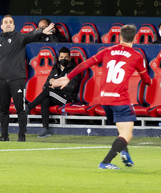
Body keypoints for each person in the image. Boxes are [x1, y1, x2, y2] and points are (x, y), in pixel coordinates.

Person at [52, 24, 152, 169]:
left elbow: (85, 64)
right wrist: (149, 80)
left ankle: (124, 152)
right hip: (120, 99)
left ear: (120, 37)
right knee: (127, 134)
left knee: (121, 128)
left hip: (104, 99)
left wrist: (68, 77)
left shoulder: (107, 51)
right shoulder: (136, 56)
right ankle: (105, 162)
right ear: (135, 38)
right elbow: (147, 81)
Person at [0, 14, 55, 142]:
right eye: (6, 22)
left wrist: (42, 31)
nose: (8, 24)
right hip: (2, 81)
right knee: (3, 110)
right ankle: (4, 136)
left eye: (11, 22)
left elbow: (32, 35)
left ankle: (21, 137)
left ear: (14, 25)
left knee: (20, 109)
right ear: (1, 26)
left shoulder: (19, 37)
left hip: (17, 79)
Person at [25, 47, 81, 137]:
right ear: (59, 58)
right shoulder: (55, 68)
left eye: (66, 57)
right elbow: (45, 86)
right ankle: (45, 129)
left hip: (67, 98)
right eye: (62, 57)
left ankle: (29, 107)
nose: (63, 59)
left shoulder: (74, 70)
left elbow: (72, 87)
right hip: (55, 95)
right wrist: (53, 85)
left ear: (70, 58)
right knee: (45, 100)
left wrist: (56, 84)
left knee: (49, 91)